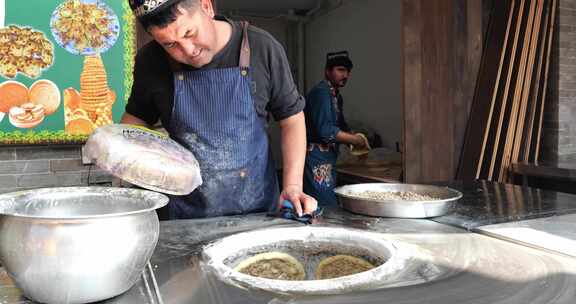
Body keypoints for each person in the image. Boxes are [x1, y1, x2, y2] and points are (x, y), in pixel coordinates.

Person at [124, 0, 317, 219]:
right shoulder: (150, 61)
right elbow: (135, 121)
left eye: (189, 33)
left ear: (206, 6)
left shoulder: (262, 47)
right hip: (185, 218)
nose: (188, 50)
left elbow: (291, 118)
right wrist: (121, 152)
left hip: (258, 212)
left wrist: (292, 185)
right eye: (169, 45)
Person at [303, 51, 369, 206]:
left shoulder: (336, 96)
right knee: (325, 204)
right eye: (340, 70)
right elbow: (325, 131)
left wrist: (357, 140)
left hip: (329, 157)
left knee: (325, 200)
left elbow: (341, 126)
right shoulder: (321, 93)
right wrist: (356, 140)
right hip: (317, 157)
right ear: (327, 71)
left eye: (347, 71)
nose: (345, 75)